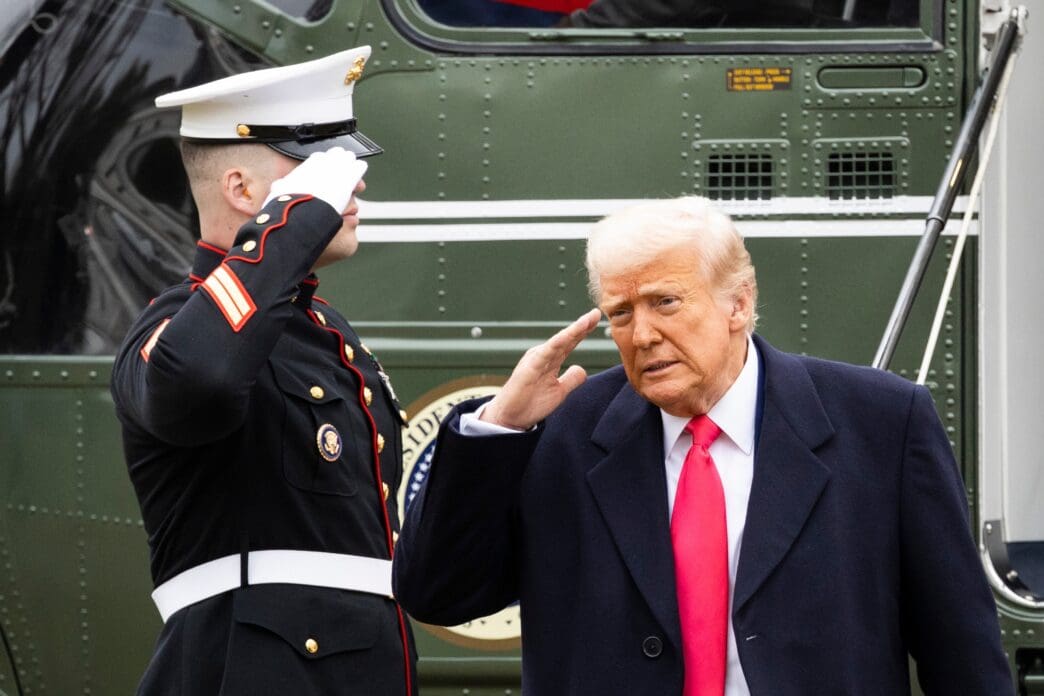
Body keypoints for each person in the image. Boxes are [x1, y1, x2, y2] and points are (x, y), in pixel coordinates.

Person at [392, 196, 1013, 695]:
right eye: (620, 312)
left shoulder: (880, 422)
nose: (642, 334)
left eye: (665, 302)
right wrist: (497, 428)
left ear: (739, 302)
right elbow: (437, 595)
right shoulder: (563, 432)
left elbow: (961, 650)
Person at [111, 46, 416, 695]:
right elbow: (197, 378)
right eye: (321, 167)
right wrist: (292, 223)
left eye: (349, 165)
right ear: (243, 190)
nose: (353, 183)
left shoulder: (327, 335)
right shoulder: (172, 326)